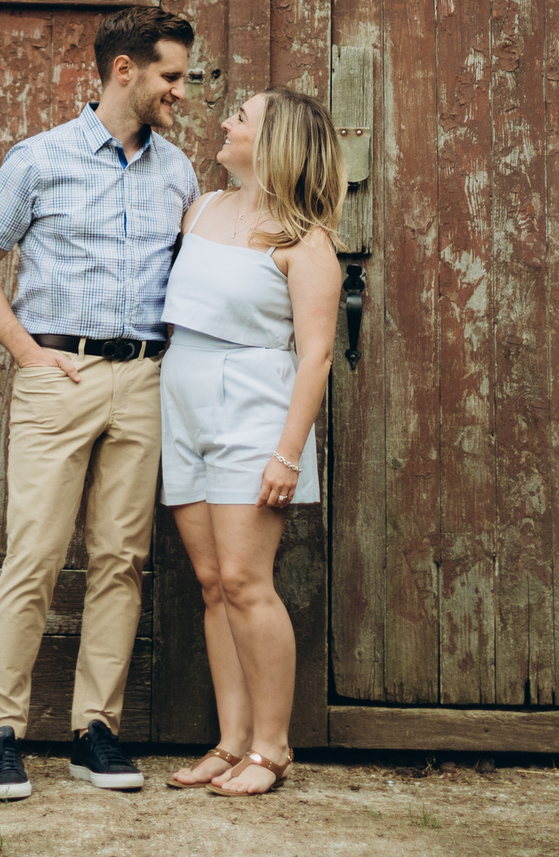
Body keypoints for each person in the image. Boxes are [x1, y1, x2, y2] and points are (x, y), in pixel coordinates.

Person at [0, 6, 202, 802]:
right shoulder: (40, 158)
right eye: (172, 75)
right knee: (34, 553)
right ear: (123, 70)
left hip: (144, 379)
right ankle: (0, 733)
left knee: (121, 560)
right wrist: (29, 352)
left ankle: (95, 728)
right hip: (59, 375)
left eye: (186, 78)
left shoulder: (179, 170)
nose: (183, 92)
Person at [158, 88, 341, 798]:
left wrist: (287, 452)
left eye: (242, 115)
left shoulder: (305, 242)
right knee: (211, 584)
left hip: (254, 416)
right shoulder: (200, 208)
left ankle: (272, 746)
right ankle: (231, 741)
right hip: (186, 406)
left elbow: (317, 355)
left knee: (245, 579)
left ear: (276, 143)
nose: (226, 120)